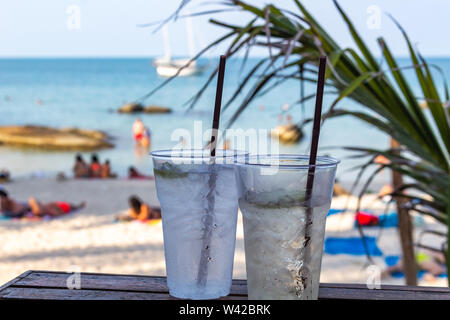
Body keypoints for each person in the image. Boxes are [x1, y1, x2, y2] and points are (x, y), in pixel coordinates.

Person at [0, 188, 85, 218]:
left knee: (53, 206)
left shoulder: (11, 202)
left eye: (1, 198)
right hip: (40, 207)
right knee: (52, 205)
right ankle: (77, 207)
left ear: (6, 198)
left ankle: (77, 207)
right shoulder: (6, 204)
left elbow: (19, 212)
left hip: (35, 208)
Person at [382, 249, 447, 282]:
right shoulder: (432, 262)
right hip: (415, 261)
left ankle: (384, 272)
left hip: (409, 258)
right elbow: (439, 269)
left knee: (397, 267)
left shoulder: (429, 253)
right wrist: (431, 275)